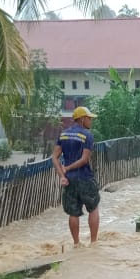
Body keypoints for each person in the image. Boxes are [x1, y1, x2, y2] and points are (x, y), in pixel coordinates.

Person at [51, 106, 101, 247]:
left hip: (70, 180)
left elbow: (54, 157)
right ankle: (93, 243)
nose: (91, 121)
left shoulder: (63, 135)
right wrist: (68, 168)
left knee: (73, 212)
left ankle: (76, 243)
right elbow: (85, 160)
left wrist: (62, 175)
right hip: (85, 177)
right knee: (93, 208)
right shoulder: (87, 135)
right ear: (82, 119)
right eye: (89, 118)